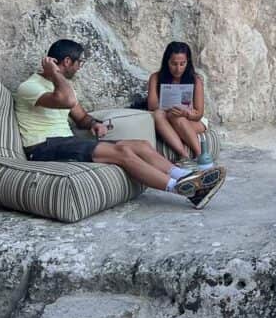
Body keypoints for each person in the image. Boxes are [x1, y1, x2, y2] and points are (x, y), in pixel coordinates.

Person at [13, 39, 227, 210]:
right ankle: (183, 189)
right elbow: (67, 101)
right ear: (67, 62)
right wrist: (55, 75)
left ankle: (187, 177)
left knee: (140, 145)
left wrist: (95, 124)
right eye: (79, 63)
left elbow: (81, 117)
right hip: (43, 147)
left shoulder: (63, 87)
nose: (80, 67)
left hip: (66, 141)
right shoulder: (30, 87)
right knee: (122, 153)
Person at [148, 41, 208, 163]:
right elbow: (152, 105)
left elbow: (199, 114)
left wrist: (186, 113)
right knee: (159, 114)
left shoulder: (195, 80)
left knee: (177, 117)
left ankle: (200, 156)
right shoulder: (155, 77)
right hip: (165, 117)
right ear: (167, 62)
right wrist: (169, 107)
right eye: (173, 64)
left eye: (182, 64)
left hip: (191, 120)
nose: (178, 68)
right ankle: (185, 156)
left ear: (188, 62)